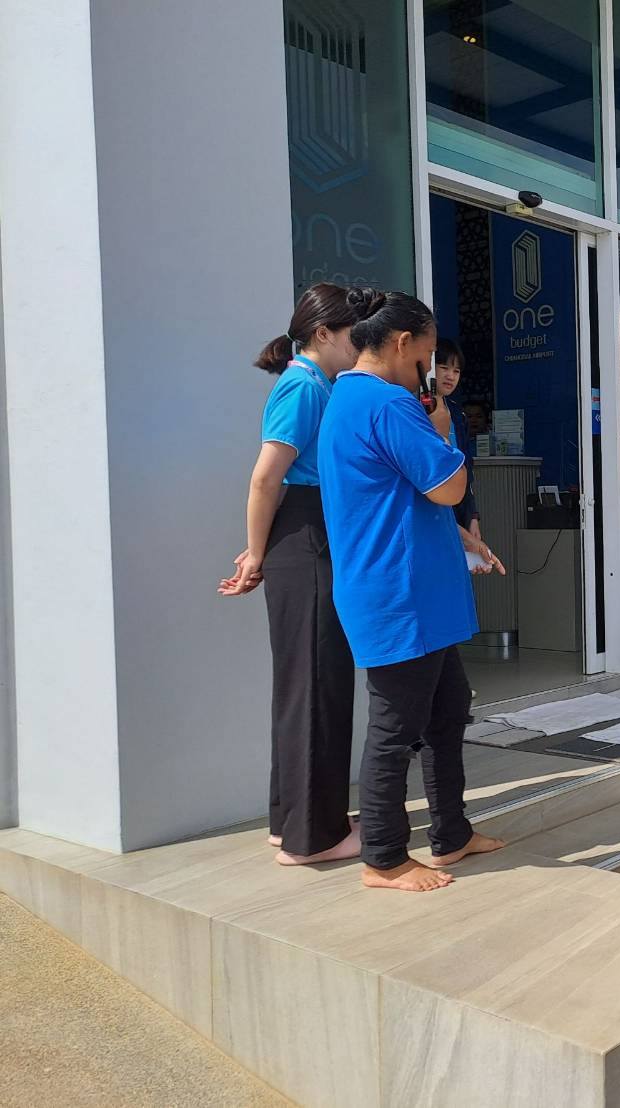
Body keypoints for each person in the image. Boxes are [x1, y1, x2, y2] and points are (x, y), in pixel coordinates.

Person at [317, 288, 505, 893]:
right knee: (395, 731)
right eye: (425, 357)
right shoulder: (388, 403)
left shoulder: (347, 397)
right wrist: (444, 433)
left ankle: (451, 833)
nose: (428, 371)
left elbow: (398, 495)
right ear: (401, 344)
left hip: (409, 589)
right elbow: (447, 486)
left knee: (446, 715)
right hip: (401, 593)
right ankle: (384, 857)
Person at [219, 283, 364, 867]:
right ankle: (314, 838)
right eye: (353, 335)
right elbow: (266, 477)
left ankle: (294, 821)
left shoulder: (317, 384)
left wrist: (261, 548)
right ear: (323, 333)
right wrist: (256, 553)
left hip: (305, 534)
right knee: (317, 684)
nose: (359, 345)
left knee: (307, 683)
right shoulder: (303, 386)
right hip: (306, 537)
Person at [435, 337, 481, 541]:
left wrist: (473, 516)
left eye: (456, 371)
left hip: (458, 506)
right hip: (433, 506)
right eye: (444, 367)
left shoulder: (458, 414)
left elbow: (467, 468)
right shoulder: (415, 409)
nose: (450, 376)